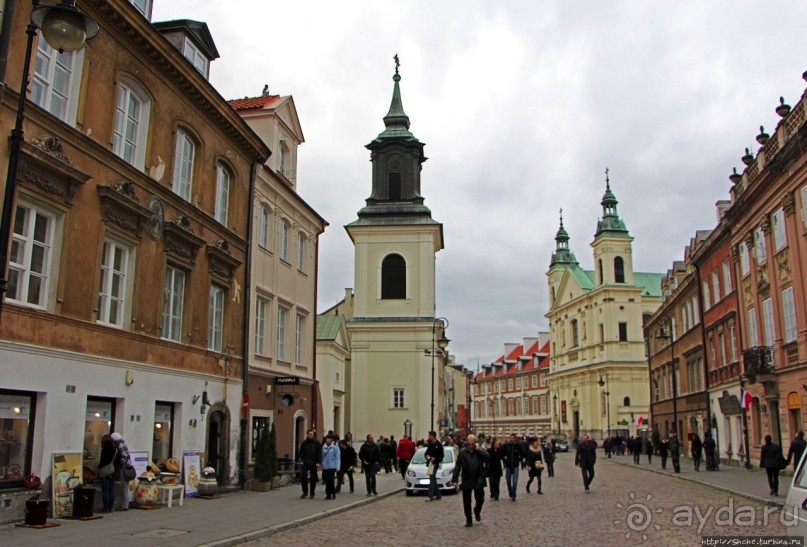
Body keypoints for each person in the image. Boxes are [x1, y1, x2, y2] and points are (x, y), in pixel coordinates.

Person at [450, 434, 489, 528]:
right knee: (466, 501)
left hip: (478, 478)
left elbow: (488, 457)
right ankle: (468, 519)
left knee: (480, 498)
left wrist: (478, 449)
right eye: (469, 444)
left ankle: (477, 511)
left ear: (475, 443)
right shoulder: (463, 452)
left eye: (472, 444)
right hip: (467, 478)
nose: (470, 445)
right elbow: (458, 466)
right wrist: (454, 479)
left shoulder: (479, 452)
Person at [111, 432, 132, 510]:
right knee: (125, 487)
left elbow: (125, 456)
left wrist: (121, 463)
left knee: (124, 487)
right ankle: (125, 504)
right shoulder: (122, 444)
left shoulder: (120, 445)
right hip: (127, 467)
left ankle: (125, 505)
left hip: (124, 468)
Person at [298, 429, 321, 499]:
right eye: (310, 434)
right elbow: (301, 452)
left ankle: (312, 493)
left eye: (312, 434)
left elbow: (319, 453)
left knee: (313, 478)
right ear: (307, 435)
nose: (311, 435)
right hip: (305, 462)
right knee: (303, 476)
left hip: (313, 463)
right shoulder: (304, 443)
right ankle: (305, 492)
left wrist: (318, 462)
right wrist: (302, 459)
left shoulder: (316, 442)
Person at [97, 434, 117, 513]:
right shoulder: (115, 449)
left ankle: (106, 508)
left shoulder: (105, 449)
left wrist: (99, 467)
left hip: (105, 472)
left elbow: (103, 461)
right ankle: (110, 507)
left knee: (105, 491)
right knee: (111, 490)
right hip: (112, 471)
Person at [424, 431, 444, 501]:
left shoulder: (439, 444)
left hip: (435, 464)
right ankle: (438, 495)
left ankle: (430, 496)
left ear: (433, 436)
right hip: (430, 464)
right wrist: (427, 456)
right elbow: (426, 453)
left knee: (432, 478)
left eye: (429, 435)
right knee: (433, 479)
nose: (428, 437)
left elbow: (441, 456)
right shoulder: (430, 445)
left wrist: (435, 459)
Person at [502, 433, 522, 501]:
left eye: (513, 438)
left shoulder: (518, 446)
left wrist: (519, 459)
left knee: (515, 482)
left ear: (515, 439)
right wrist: (504, 458)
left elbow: (522, 453)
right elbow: (502, 453)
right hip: (508, 466)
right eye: (511, 438)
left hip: (515, 466)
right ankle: (510, 491)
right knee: (508, 481)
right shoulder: (506, 445)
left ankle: (514, 495)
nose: (511, 439)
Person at [321, 434, 340, 500]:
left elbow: (338, 457)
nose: (327, 440)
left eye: (329, 438)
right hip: (325, 466)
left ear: (331, 439)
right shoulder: (323, 447)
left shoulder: (335, 447)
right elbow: (322, 456)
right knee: (326, 480)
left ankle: (333, 493)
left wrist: (338, 467)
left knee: (330, 480)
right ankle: (328, 494)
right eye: (327, 438)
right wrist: (322, 464)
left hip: (332, 466)